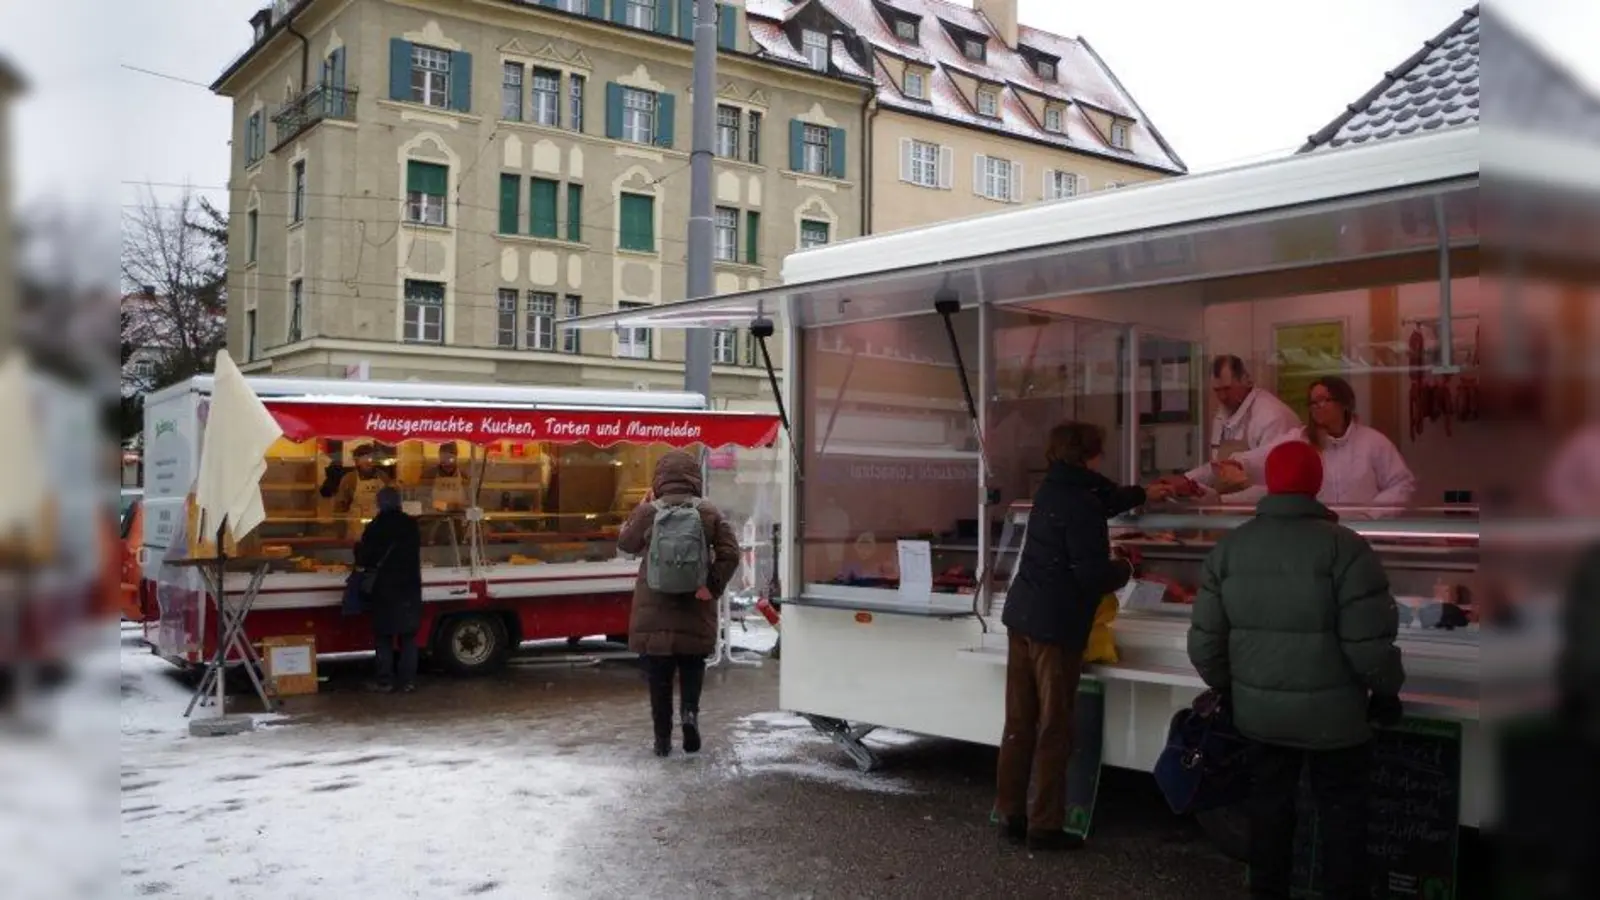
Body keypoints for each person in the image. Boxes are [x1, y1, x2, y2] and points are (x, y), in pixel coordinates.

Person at [1188, 440, 1405, 899]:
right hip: (1337, 721)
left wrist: (1232, 688)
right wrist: (1386, 692)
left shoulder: (1230, 549)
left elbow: (1205, 644)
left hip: (1260, 716)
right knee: (1343, 817)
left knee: (1269, 812)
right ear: (1316, 483)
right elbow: (1369, 645)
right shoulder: (1346, 548)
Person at [995, 421, 1171, 851]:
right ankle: (1045, 825)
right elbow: (1092, 576)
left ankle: (1010, 812)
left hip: (1021, 616)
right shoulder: (1082, 503)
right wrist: (1127, 568)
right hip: (1056, 626)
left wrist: (1145, 492)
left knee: (1019, 722)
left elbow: (1105, 497)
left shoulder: (1053, 489)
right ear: (1091, 455)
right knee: (1055, 726)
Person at [617, 450, 740, 757]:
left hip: (653, 607)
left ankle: (661, 739)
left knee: (658, 676)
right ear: (694, 477)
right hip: (694, 607)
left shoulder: (649, 511)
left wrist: (640, 508)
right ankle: (689, 716)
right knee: (691, 666)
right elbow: (731, 553)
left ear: (659, 478)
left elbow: (625, 544)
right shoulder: (707, 511)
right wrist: (710, 587)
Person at [1220, 375, 1416, 510]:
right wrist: (1239, 463)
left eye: (1323, 400)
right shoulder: (1300, 440)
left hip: (1363, 534)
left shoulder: (1373, 442)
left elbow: (1402, 484)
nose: (1317, 407)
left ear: (1344, 403)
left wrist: (1371, 514)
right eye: (1313, 402)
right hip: (1319, 533)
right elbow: (1265, 456)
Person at [1164, 355, 1301, 504]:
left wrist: (1221, 500)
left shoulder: (1271, 416)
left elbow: (1275, 484)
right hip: (1231, 513)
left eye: (1227, 389)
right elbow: (1218, 466)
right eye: (1217, 390)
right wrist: (1186, 480)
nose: (1222, 396)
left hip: (1264, 512)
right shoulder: (1223, 413)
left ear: (1245, 379)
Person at [354, 487, 423, 693]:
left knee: (384, 637)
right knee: (408, 638)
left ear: (379, 503)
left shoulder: (375, 527)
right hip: (409, 589)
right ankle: (408, 681)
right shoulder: (411, 525)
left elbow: (364, 558)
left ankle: (385, 680)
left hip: (383, 590)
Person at [334, 444, 396, 521]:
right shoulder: (349, 479)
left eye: (370, 458)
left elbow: (391, 502)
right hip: (356, 527)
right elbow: (340, 506)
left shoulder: (382, 476)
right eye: (363, 458)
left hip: (379, 525)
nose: (368, 461)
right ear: (357, 462)